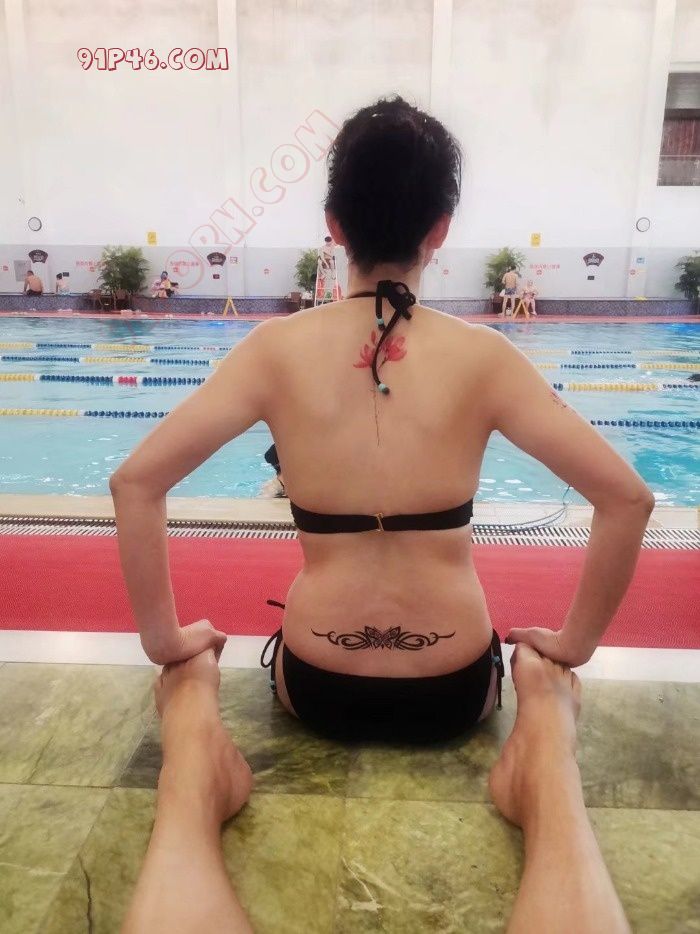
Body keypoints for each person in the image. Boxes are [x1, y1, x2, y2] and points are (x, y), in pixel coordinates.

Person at [112, 96, 650, 931]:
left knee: (186, 703)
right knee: (550, 728)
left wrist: (165, 643)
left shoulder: (273, 352)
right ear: (440, 229)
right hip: (456, 689)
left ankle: (193, 740)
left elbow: (136, 484)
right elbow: (627, 498)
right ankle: (544, 748)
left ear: (333, 225)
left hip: (316, 685)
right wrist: (572, 647)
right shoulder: (486, 359)